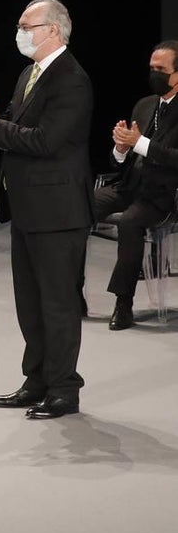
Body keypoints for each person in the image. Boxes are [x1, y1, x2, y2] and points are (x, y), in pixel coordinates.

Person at [0, 0, 92, 420]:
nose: (20, 32)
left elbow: (44, 141)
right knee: (29, 302)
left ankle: (65, 389)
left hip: (59, 210)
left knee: (58, 303)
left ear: (53, 30)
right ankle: (37, 380)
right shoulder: (30, 73)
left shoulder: (72, 79)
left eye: (26, 25)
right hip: (28, 206)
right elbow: (13, 129)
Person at [91, 40, 178, 330]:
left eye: (161, 69)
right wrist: (121, 148)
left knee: (129, 223)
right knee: (79, 206)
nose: (154, 74)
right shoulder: (144, 105)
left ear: (176, 74)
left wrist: (138, 143)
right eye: (151, 68)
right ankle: (71, 289)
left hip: (163, 195)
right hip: (129, 185)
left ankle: (123, 303)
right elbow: (121, 160)